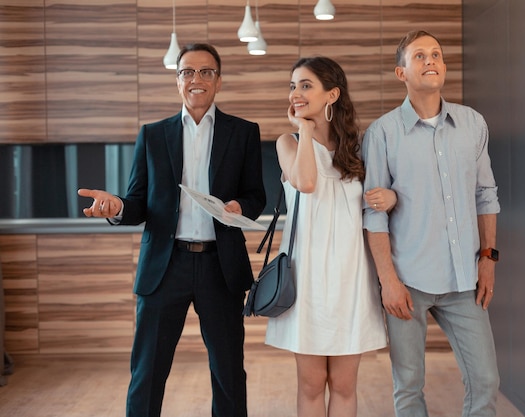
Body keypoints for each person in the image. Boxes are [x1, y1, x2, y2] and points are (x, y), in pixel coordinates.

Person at [77, 43, 266, 417]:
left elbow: (256, 195)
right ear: (178, 80)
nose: (197, 79)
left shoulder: (243, 132)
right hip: (165, 268)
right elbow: (136, 204)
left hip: (220, 268)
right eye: (188, 72)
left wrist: (239, 207)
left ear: (219, 80)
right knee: (147, 372)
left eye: (206, 72)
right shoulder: (152, 135)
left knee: (228, 372)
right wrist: (116, 208)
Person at [362, 30, 501, 417]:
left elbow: (486, 195)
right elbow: (373, 212)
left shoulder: (473, 124)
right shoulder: (382, 134)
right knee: (408, 386)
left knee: (486, 381)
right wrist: (388, 280)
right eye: (419, 55)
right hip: (408, 281)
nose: (430, 61)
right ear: (400, 72)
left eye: (436, 54)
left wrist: (488, 259)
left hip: (464, 280)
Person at [264, 56, 388, 417]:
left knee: (346, 386)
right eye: (292, 86)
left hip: (352, 278)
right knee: (311, 384)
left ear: (331, 94)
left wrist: (390, 196)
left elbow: (386, 197)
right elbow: (306, 182)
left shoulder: (358, 149)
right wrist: (303, 130)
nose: (296, 93)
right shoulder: (287, 142)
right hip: (308, 279)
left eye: (305, 85)